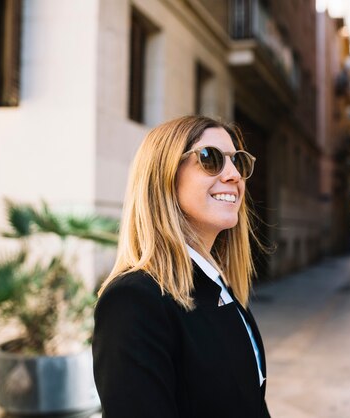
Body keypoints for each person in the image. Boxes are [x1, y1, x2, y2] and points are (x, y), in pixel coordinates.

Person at [92, 115, 270, 418]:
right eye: (210, 158)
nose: (234, 175)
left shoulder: (220, 287)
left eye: (238, 162)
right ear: (164, 175)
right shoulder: (134, 301)